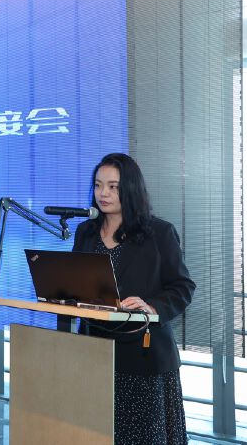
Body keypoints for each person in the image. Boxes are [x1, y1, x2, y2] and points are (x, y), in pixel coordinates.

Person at [72, 153, 196, 444]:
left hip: (143, 356)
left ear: (130, 188)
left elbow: (183, 287)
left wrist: (152, 307)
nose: (102, 193)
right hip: (94, 350)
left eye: (112, 187)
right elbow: (76, 282)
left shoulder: (159, 233)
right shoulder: (85, 232)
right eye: (98, 185)